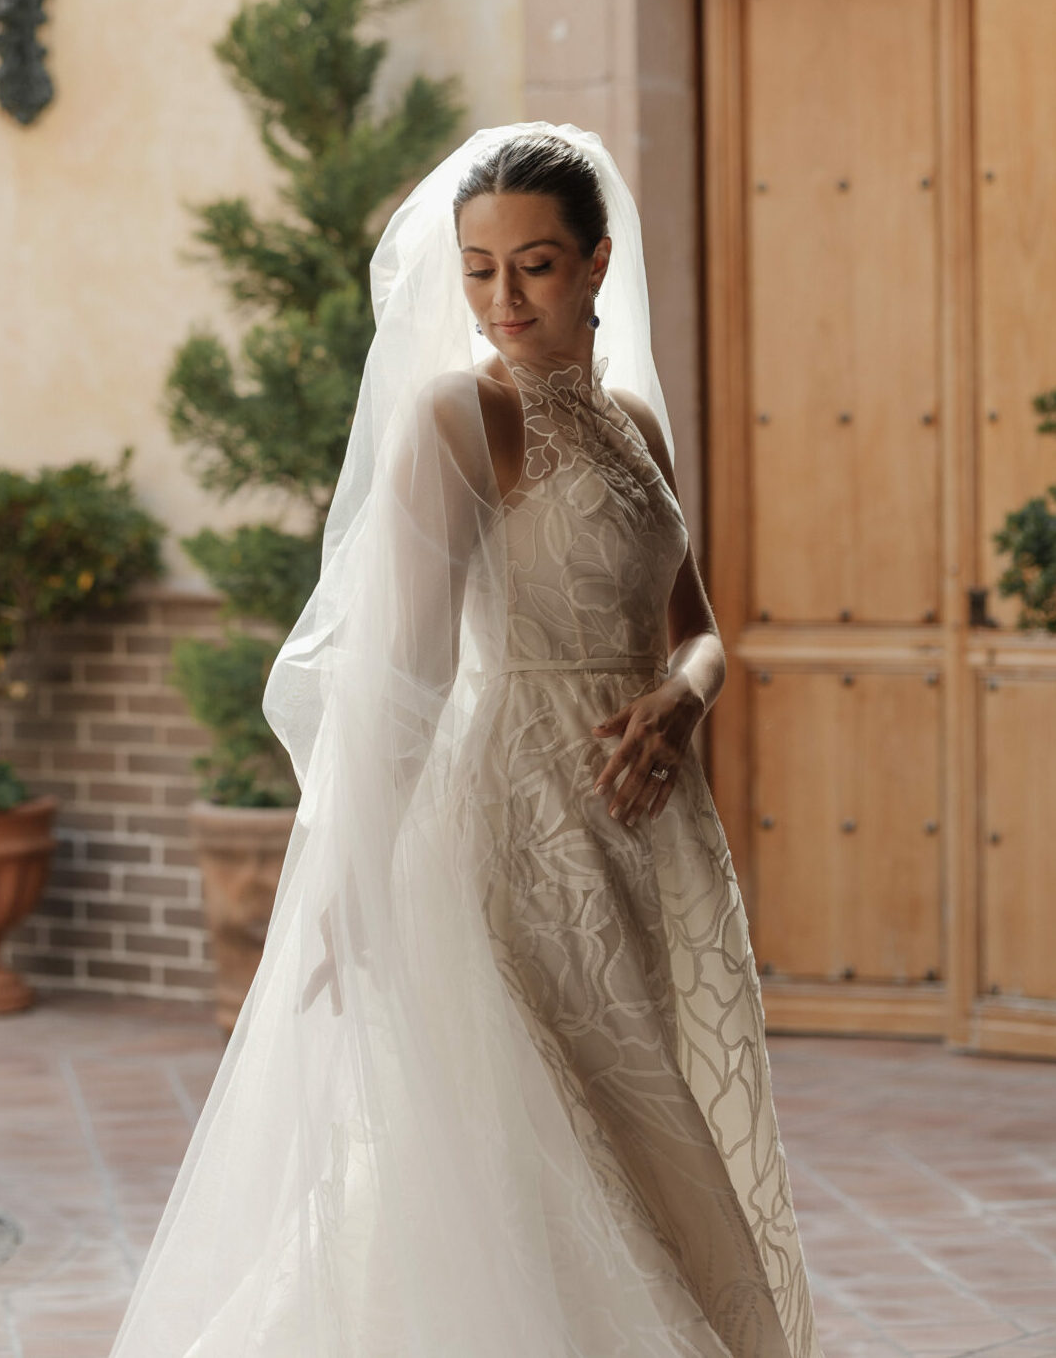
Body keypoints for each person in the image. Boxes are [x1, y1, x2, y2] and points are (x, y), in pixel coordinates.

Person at [110, 124, 824, 1358]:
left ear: (598, 263)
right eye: (480, 267)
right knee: (552, 1135)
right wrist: (350, 876)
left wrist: (681, 699)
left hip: (647, 834)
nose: (502, 296)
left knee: (643, 1125)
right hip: (517, 828)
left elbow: (699, 628)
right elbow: (408, 677)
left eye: (535, 264)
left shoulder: (636, 425)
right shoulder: (457, 418)